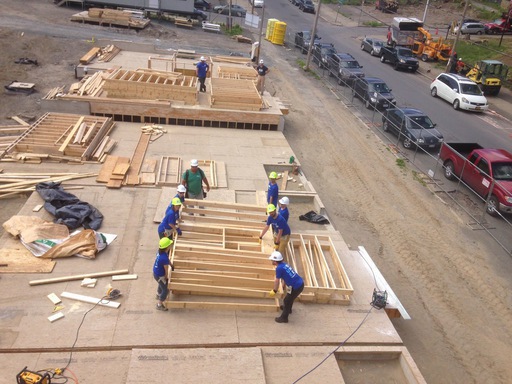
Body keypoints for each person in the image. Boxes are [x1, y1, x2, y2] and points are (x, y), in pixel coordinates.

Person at [268, 251, 304, 323]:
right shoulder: (284, 265)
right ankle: (288, 309)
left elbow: (277, 280)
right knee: (289, 298)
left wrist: (274, 290)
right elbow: (284, 276)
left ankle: (284, 318)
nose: (271, 261)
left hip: (296, 287)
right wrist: (283, 286)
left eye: (272, 260)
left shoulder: (279, 268)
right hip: (299, 284)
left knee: (286, 300)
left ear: (275, 261)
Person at [153, 237, 175, 311]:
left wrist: (171, 264)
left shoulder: (160, 253)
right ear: (167, 247)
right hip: (160, 275)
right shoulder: (164, 257)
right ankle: (159, 304)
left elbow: (166, 260)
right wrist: (166, 277)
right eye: (170, 244)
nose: (171, 245)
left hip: (156, 273)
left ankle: (158, 294)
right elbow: (166, 269)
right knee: (165, 289)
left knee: (161, 283)